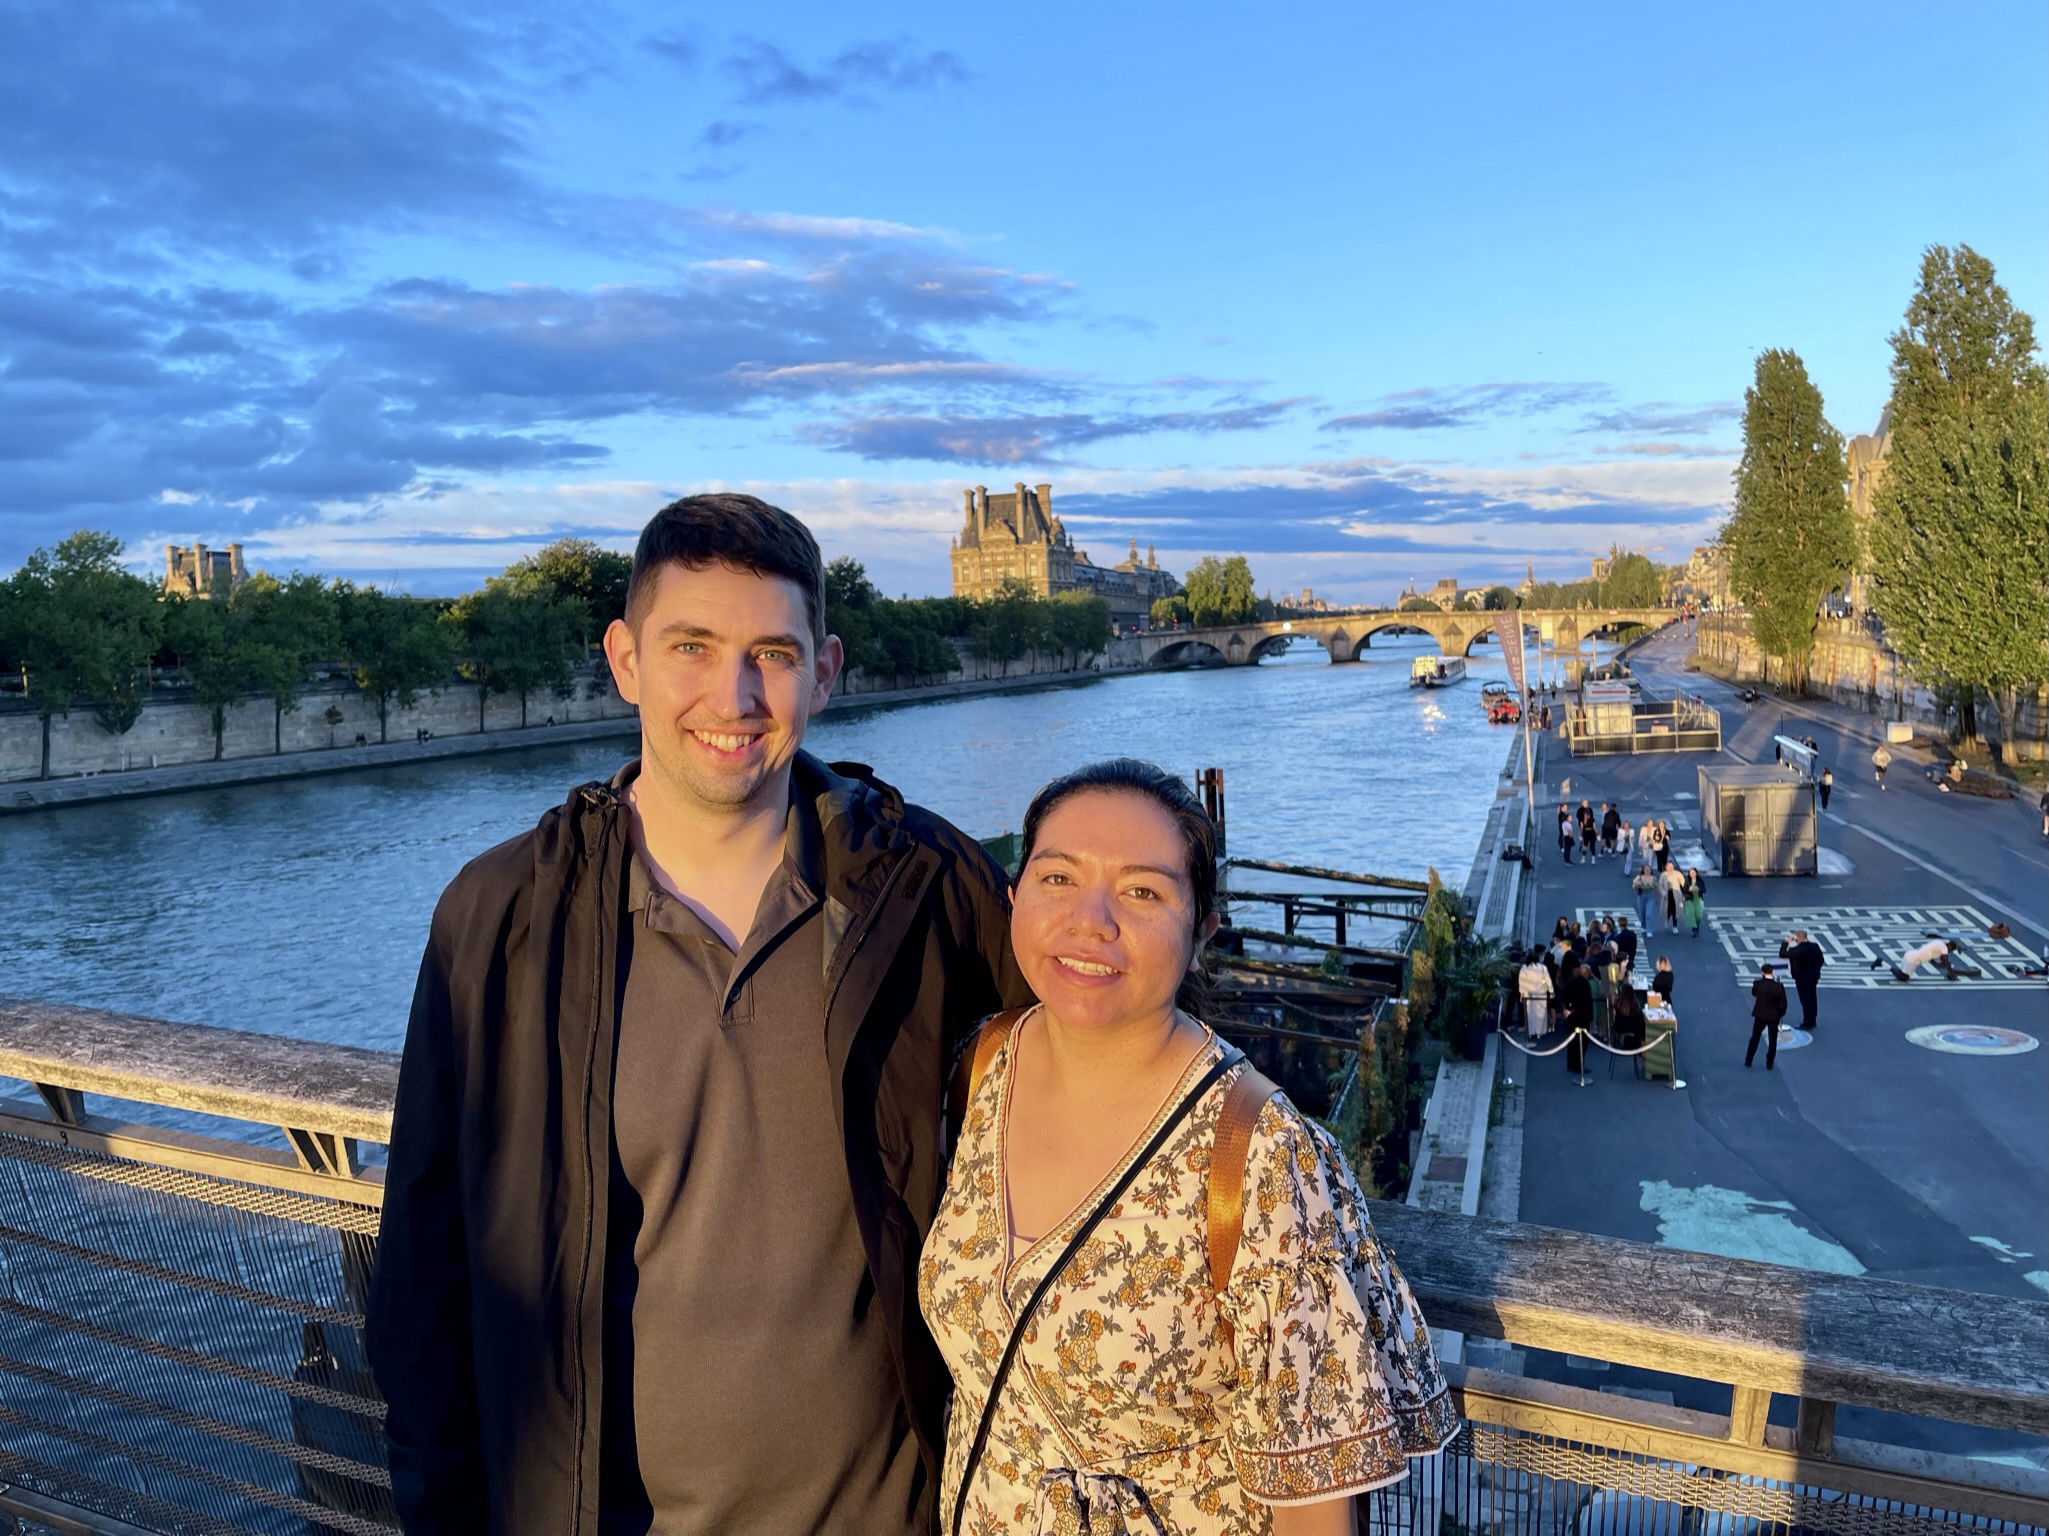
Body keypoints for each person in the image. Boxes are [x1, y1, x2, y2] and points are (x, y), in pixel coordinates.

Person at [367, 495, 1031, 1533]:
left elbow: (1095, 1089)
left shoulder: (932, 888)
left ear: (825, 670)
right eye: (693, 646)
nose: (735, 695)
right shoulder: (497, 919)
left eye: (771, 652)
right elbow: (424, 1273)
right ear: (626, 660)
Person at [925, 760, 1460, 1534]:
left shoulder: (1259, 1155)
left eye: (1142, 891)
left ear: (1202, 930)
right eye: (1057, 878)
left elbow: (1314, 1513)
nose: (1090, 921)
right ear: (1014, 896)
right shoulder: (982, 1069)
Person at [1778, 929, 1826, 1031]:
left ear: (1798, 938)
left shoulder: (1798, 950)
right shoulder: (1815, 946)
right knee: (1812, 998)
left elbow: (1783, 954)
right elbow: (1821, 960)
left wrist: (1786, 942)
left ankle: (1807, 1022)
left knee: (1805, 1000)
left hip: (1801, 978)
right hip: (1813, 977)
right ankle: (1813, 1020)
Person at [1747, 963, 1789, 1070]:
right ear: (1772, 972)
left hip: (1760, 1014)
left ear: (1762, 972)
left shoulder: (1757, 984)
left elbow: (1754, 993)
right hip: (1773, 1016)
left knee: (1755, 1038)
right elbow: (1783, 1004)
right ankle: (1769, 1063)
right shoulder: (1779, 987)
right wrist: (1779, 1015)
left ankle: (1749, 1059)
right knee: (1773, 1040)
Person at [1886, 937, 1961, 982]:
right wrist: (1950, 972)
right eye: (1951, 950)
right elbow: (1944, 959)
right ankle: (1882, 963)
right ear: (1950, 946)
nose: (1950, 952)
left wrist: (1942, 964)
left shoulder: (1939, 942)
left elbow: (1937, 959)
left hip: (1911, 954)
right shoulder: (1944, 948)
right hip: (1913, 959)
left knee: (1901, 973)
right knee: (1904, 978)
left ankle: (1889, 967)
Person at [1520, 946, 1556, 1038]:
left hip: (1529, 994)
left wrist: (1522, 993)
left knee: (1530, 1013)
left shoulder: (1524, 968)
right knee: (1541, 1014)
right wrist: (1550, 991)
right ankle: (1540, 1032)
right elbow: (1546, 980)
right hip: (1541, 994)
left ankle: (1531, 1032)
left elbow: (1522, 982)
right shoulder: (1543, 967)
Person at [1632, 863, 1660, 937]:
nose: (1647, 871)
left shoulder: (1654, 878)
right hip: (1642, 896)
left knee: (1649, 914)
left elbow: (1656, 888)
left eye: (1649, 869)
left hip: (1650, 896)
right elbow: (1634, 887)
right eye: (1646, 869)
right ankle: (1643, 926)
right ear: (1643, 870)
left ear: (1651, 870)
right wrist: (1637, 885)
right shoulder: (1639, 877)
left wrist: (1657, 897)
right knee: (1642, 912)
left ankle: (1649, 930)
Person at [1659, 862, 1685, 933]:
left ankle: (1675, 926)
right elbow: (1660, 885)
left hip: (1676, 894)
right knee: (1668, 909)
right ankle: (1667, 919)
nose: (1670, 868)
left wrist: (1685, 892)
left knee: (1675, 910)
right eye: (1669, 866)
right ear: (1666, 867)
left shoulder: (1678, 874)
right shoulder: (1663, 875)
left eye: (1672, 866)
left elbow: (1683, 883)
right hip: (1667, 894)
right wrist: (1664, 893)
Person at [1681, 867, 1706, 938]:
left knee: (1698, 915)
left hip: (1698, 900)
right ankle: (1694, 930)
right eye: (1691, 873)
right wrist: (1689, 890)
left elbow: (1704, 889)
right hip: (1690, 900)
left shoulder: (1700, 881)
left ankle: (1697, 927)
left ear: (1696, 873)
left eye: (1693, 873)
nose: (1692, 874)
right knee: (1692, 915)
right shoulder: (1687, 881)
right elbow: (1684, 890)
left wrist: (1698, 889)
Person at [1557, 801, 1575, 865]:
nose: (1566, 808)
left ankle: (1567, 860)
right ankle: (1566, 861)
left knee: (1567, 848)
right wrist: (1572, 839)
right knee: (1567, 848)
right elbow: (1569, 832)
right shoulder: (1562, 816)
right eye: (1565, 807)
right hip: (1566, 834)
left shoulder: (1562, 814)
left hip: (1565, 832)